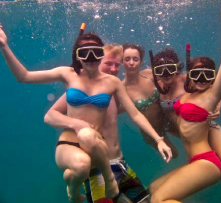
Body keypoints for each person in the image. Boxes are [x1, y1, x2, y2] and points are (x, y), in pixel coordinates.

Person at [0, 28, 172, 203]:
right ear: (77, 56)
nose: (90, 57)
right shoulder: (69, 75)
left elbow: (135, 114)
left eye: (95, 52)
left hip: (113, 157)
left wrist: (158, 139)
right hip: (88, 158)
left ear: (100, 54)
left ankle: (73, 179)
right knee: (85, 139)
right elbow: (24, 76)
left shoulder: (113, 83)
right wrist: (4, 46)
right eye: (84, 53)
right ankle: (78, 185)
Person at [149, 4, 221, 202]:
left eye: (208, 75)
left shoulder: (210, 96)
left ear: (214, 78)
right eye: (197, 74)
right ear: (189, 76)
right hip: (194, 159)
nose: (202, 79)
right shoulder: (186, 92)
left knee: (159, 200)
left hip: (206, 161)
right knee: (153, 188)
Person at [44, 44, 150, 203]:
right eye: (108, 63)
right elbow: (50, 115)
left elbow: (135, 110)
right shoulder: (79, 91)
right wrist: (74, 123)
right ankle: (73, 185)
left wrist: (158, 139)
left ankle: (72, 180)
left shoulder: (116, 87)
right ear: (97, 61)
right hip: (97, 168)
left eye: (117, 64)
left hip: (120, 163)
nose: (114, 68)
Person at [121, 43, 179, 158]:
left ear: (141, 61)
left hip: (168, 120)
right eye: (127, 59)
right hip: (152, 133)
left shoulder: (150, 74)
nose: (131, 63)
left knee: (190, 138)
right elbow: (111, 110)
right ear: (121, 62)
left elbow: (175, 81)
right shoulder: (121, 89)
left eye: (135, 59)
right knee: (174, 154)